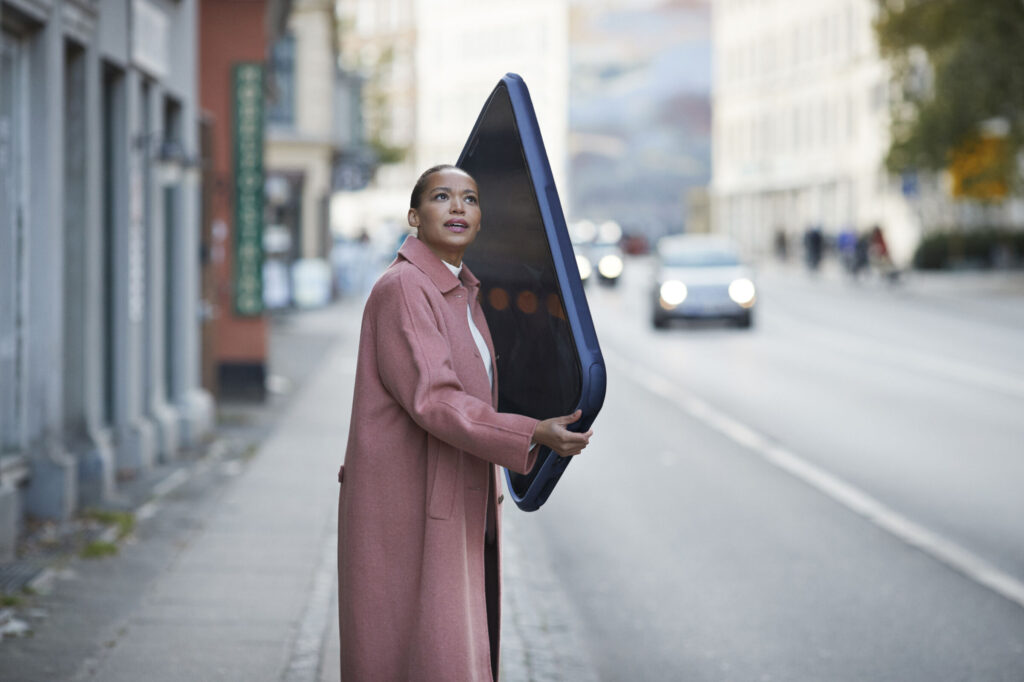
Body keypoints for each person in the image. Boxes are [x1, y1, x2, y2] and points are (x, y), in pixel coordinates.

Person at [336, 164, 593, 681]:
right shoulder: (406, 288)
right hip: (407, 506)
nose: (458, 207)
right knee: (428, 654)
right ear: (414, 215)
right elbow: (434, 398)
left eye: (470, 199)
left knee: (439, 651)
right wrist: (529, 432)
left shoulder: (458, 291)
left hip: (443, 496)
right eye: (441, 196)